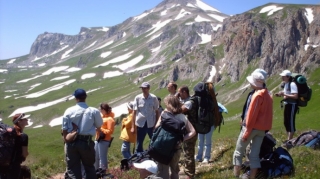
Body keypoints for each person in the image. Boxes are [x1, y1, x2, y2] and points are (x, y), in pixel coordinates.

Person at [233, 72, 273, 179]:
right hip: (262, 130)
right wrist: (266, 129)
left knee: (238, 152)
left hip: (251, 128)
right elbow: (269, 114)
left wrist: (246, 132)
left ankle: (236, 175)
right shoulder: (268, 95)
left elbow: (251, 116)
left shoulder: (257, 95)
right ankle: (253, 177)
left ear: (255, 83)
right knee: (254, 155)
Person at [62, 88, 103, 179]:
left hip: (71, 142)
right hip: (86, 141)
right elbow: (99, 125)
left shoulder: (68, 111)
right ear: (85, 97)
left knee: (73, 168)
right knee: (89, 167)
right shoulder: (93, 111)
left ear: (75, 98)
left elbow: (64, 128)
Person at [155, 95, 196, 179]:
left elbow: (156, 127)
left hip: (163, 147)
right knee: (174, 170)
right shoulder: (182, 116)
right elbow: (193, 131)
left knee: (163, 170)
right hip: (176, 147)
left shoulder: (164, 114)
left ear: (168, 104)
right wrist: (182, 139)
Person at [131, 82, 159, 153]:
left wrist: (156, 125)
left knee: (154, 142)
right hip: (140, 124)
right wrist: (133, 127)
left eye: (145, 88)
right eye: (142, 88)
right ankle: (139, 158)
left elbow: (157, 112)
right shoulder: (137, 98)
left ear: (149, 88)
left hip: (151, 124)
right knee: (139, 143)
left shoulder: (153, 98)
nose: (143, 89)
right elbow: (134, 112)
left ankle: (154, 157)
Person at [0, 113, 30, 179]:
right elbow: (24, 153)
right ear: (19, 121)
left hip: (3, 164)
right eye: (25, 119)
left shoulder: (9, 134)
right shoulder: (23, 136)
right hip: (14, 165)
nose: (27, 119)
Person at [178, 86, 198, 178]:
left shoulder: (189, 102)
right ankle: (189, 172)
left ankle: (190, 174)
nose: (179, 95)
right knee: (187, 151)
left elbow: (180, 111)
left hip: (191, 130)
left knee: (189, 152)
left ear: (184, 92)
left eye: (180, 93)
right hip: (189, 129)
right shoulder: (188, 101)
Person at [275, 70, 298, 141]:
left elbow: (295, 96)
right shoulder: (286, 84)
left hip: (292, 105)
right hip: (287, 104)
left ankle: (290, 140)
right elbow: (287, 94)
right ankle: (289, 138)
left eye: (283, 76)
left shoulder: (292, 84)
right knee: (286, 121)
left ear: (288, 77)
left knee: (290, 121)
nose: (282, 77)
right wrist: (280, 95)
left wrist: (284, 94)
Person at [94, 103, 115, 176]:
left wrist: (100, 129)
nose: (100, 111)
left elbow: (110, 131)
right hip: (98, 139)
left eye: (100, 109)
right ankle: (96, 171)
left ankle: (103, 172)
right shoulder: (102, 117)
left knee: (102, 157)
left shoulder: (110, 119)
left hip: (104, 140)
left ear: (104, 110)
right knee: (96, 156)